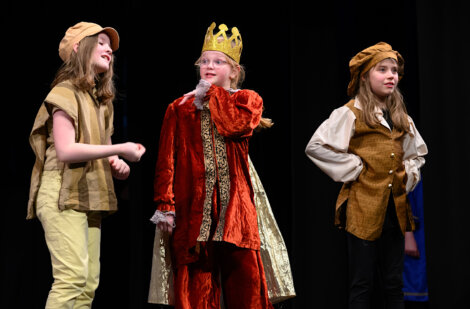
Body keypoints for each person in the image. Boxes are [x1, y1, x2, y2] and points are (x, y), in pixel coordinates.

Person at [150, 22, 274, 308]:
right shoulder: (179, 107)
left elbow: (235, 125)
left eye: (218, 61)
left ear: (234, 71)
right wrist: (165, 205)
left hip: (236, 211)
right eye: (204, 61)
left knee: (246, 286)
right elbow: (167, 159)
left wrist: (211, 94)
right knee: (195, 287)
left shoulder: (246, 100)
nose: (209, 65)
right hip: (193, 209)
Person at [27, 21, 146, 308]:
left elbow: (103, 150)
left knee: (88, 283)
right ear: (80, 48)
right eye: (101, 42)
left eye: (111, 47)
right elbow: (66, 150)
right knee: (71, 279)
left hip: (89, 193)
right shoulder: (64, 91)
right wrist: (120, 148)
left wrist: (119, 164)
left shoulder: (102, 102)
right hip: (61, 192)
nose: (109, 50)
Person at [305, 42, 428, 309]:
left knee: (394, 283)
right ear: (365, 76)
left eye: (394, 70)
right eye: (382, 69)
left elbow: (416, 154)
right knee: (362, 283)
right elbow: (316, 146)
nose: (390, 75)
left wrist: (408, 174)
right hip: (363, 208)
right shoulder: (352, 112)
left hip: (394, 210)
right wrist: (356, 167)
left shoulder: (400, 116)